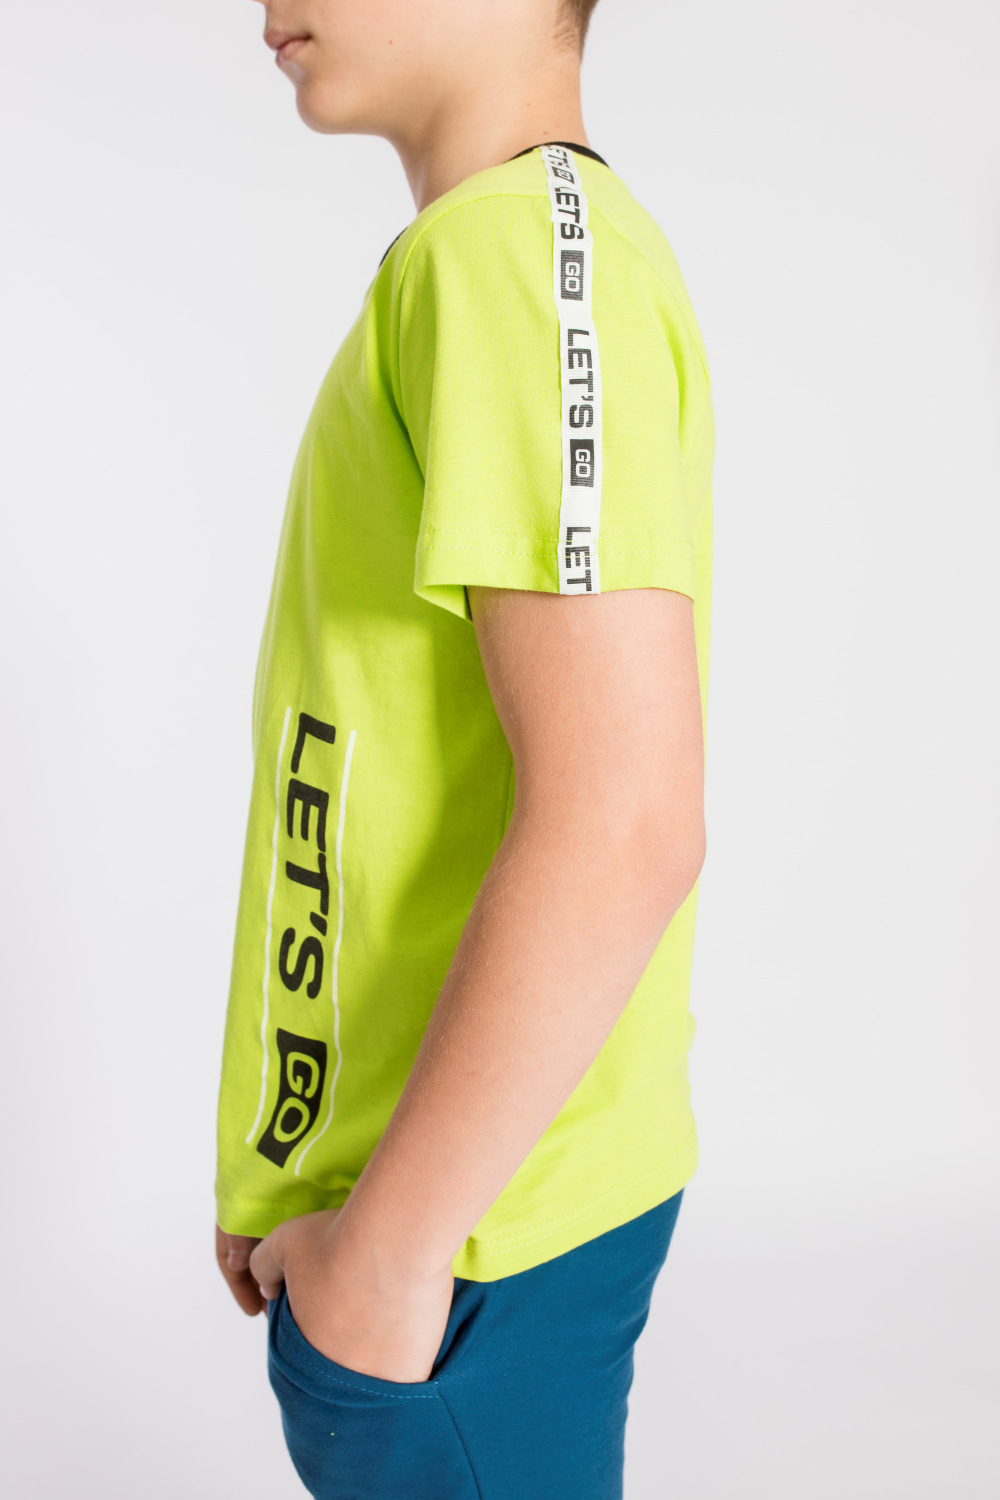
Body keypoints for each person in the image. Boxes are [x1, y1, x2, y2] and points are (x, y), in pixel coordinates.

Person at [214, 1, 713, 1495]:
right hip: (433, 1227)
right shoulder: (482, 261)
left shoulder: (515, 260)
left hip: (467, 1250)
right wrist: (304, 1153)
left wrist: (388, 1251)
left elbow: (624, 818)